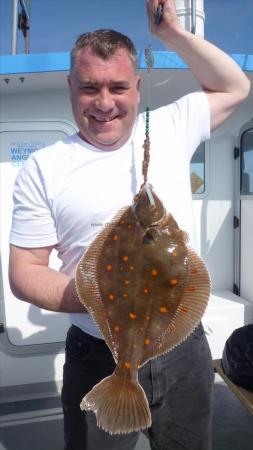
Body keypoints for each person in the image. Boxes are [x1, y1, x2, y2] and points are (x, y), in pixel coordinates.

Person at [8, 1, 250, 449]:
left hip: (185, 351)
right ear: (70, 86)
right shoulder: (44, 167)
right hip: (94, 353)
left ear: (138, 86)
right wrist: (106, 296)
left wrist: (172, 36)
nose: (104, 103)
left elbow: (236, 86)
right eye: (89, 88)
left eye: (118, 87)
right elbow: (24, 273)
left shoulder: (172, 125)